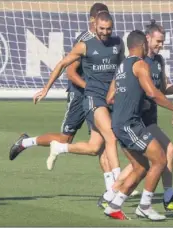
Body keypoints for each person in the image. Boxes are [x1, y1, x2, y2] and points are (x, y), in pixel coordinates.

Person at [32, 12, 125, 206]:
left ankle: (60, 147)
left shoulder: (118, 43)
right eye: (102, 29)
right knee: (112, 137)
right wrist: (46, 88)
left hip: (111, 100)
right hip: (93, 99)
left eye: (109, 29)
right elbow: (62, 65)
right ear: (95, 26)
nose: (105, 33)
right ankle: (118, 186)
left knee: (95, 147)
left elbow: (121, 69)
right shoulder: (85, 45)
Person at [111, 20, 173, 212]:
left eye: (163, 41)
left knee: (142, 163)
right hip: (139, 120)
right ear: (147, 39)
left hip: (148, 118)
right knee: (163, 153)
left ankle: (113, 194)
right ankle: (163, 198)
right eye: (158, 41)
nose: (161, 45)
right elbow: (142, 92)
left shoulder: (158, 61)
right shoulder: (138, 62)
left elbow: (162, 89)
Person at [103, 29, 173, 221]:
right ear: (142, 45)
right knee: (161, 159)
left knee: (140, 167)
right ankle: (145, 206)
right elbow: (153, 93)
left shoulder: (122, 66)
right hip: (130, 124)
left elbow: (109, 98)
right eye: (147, 44)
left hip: (120, 123)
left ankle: (113, 206)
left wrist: (130, 98)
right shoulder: (140, 65)